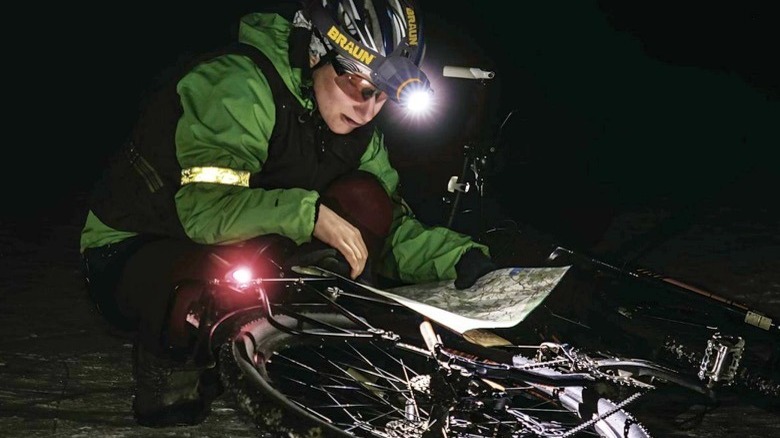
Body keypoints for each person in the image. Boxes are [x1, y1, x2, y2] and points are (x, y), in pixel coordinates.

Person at [80, 0, 496, 428]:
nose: (369, 109)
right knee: (212, 286)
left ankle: (301, 333)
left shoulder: (359, 132)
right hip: (140, 244)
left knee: (366, 198)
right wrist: (308, 214)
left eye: (383, 97)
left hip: (247, 239)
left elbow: (385, 226)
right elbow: (201, 211)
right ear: (315, 52)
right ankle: (168, 361)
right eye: (358, 85)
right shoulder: (238, 85)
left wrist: (456, 258)